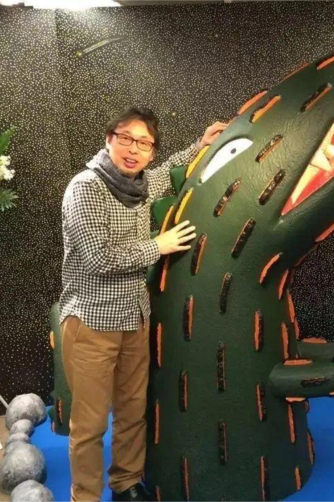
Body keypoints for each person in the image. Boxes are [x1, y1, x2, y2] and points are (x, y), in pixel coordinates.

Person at [58, 106, 226, 502]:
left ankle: (126, 483)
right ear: (109, 139)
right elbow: (98, 258)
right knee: (90, 424)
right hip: (92, 323)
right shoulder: (85, 187)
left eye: (144, 143)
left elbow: (167, 173)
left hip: (135, 319)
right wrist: (158, 246)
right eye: (126, 139)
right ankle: (85, 496)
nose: (134, 149)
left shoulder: (139, 183)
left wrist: (200, 145)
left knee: (133, 411)